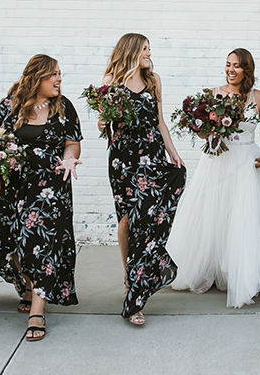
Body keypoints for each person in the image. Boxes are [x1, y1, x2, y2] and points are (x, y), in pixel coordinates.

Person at [0, 54, 82, 342]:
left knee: (42, 243)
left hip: (50, 188)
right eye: (53, 75)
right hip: (12, 186)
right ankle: (27, 284)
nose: (59, 79)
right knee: (10, 239)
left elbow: (72, 145)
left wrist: (70, 160)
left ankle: (37, 308)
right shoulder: (9, 107)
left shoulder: (64, 108)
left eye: (60, 74)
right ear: (36, 78)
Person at [168, 48, 260, 307]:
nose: (231, 70)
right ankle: (208, 268)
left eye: (237, 66)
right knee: (214, 214)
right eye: (228, 65)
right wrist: (207, 132)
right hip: (218, 160)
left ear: (247, 70)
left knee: (242, 218)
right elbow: (200, 130)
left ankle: (241, 273)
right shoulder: (213, 95)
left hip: (245, 162)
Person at [101, 33, 186, 325]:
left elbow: (160, 120)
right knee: (126, 220)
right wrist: (102, 119)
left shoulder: (154, 80)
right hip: (123, 159)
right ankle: (129, 273)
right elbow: (105, 119)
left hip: (151, 157)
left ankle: (136, 289)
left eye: (150, 48)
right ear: (133, 51)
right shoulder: (112, 80)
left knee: (145, 220)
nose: (150, 53)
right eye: (146, 48)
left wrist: (172, 153)